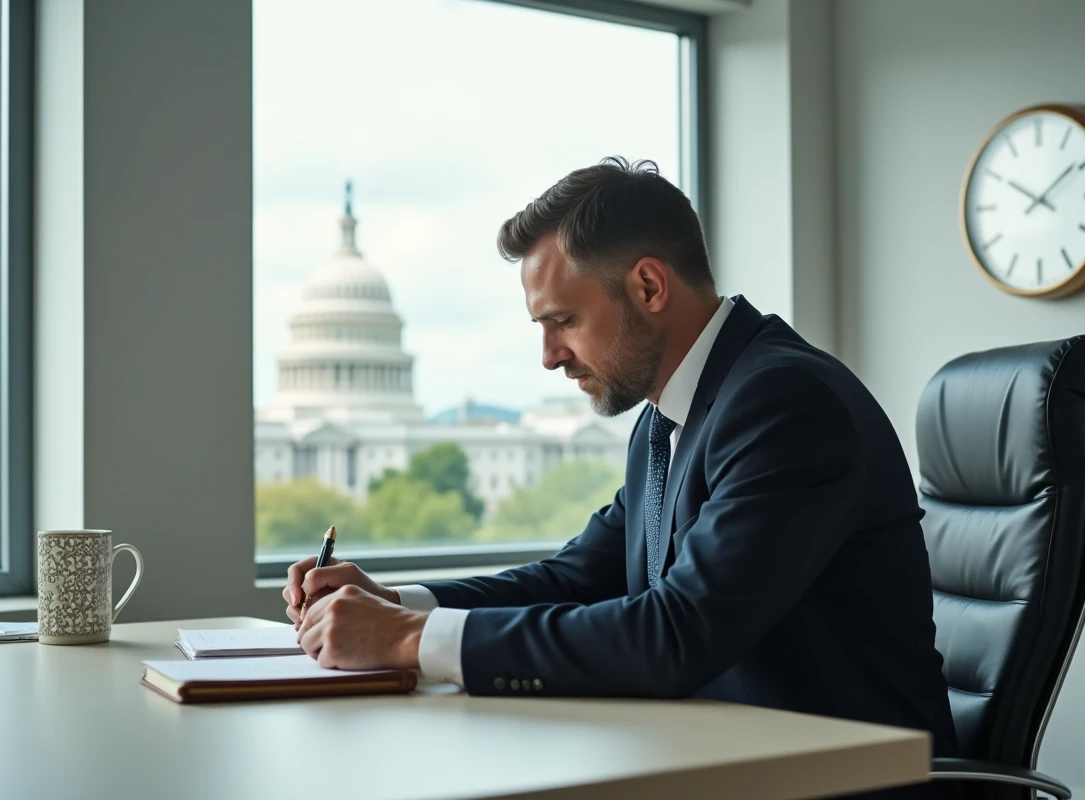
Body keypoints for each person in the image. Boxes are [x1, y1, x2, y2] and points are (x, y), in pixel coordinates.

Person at [286, 157, 959, 799]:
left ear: (648, 286)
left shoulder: (784, 403)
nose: (549, 357)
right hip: (724, 764)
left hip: (845, 783)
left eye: (563, 321)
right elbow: (576, 577)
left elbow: (676, 633)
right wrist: (400, 604)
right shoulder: (671, 416)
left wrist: (405, 643)